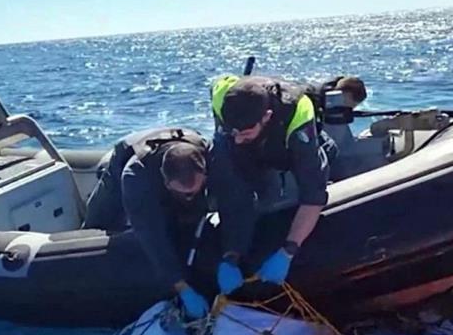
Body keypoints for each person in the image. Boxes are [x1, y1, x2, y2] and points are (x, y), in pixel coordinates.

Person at [208, 75, 337, 295]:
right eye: (234, 133)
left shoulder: (299, 113)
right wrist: (231, 254)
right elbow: (232, 194)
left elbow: (313, 196)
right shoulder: (223, 99)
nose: (238, 139)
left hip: (285, 142)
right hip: (251, 141)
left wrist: (287, 251)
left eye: (245, 133)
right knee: (231, 171)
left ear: (266, 117)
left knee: (314, 164)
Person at [84, 127, 213, 318]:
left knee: (191, 213)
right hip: (126, 158)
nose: (190, 197)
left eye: (195, 190)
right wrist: (181, 287)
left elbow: (234, 202)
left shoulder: (211, 156)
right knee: (98, 221)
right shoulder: (136, 177)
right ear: (166, 183)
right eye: (184, 193)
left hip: (182, 142)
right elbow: (152, 235)